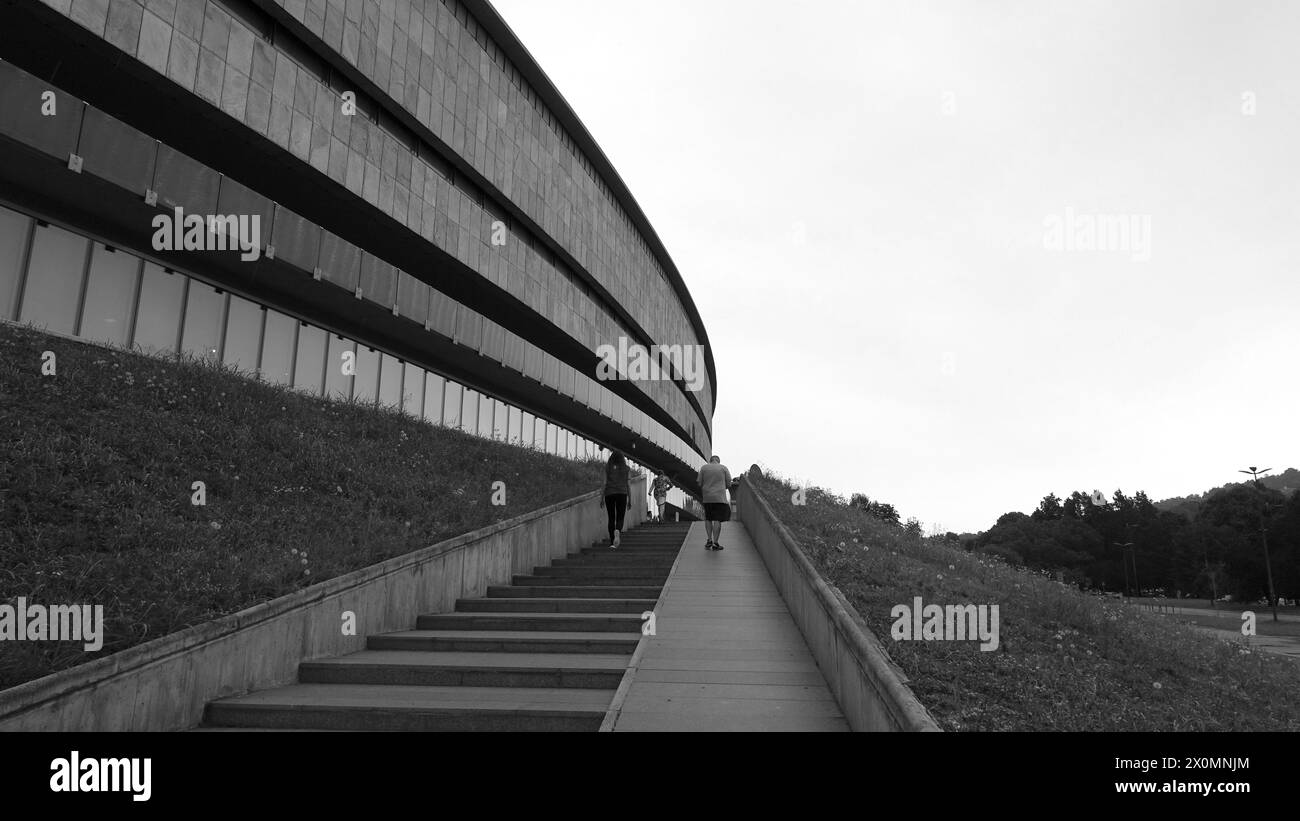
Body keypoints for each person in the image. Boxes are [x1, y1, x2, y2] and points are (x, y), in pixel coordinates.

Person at [697, 455, 733, 550]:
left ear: (710, 460)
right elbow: (729, 483)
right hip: (719, 498)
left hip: (707, 497)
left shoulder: (704, 468)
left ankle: (709, 540)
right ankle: (715, 543)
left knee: (708, 518)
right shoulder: (723, 468)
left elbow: (699, 482)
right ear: (718, 461)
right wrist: (721, 487)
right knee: (717, 519)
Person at [599, 450, 630, 548]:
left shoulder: (607, 468)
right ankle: (618, 530)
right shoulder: (626, 469)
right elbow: (628, 485)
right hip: (622, 493)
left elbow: (604, 483)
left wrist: (601, 498)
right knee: (620, 517)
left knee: (611, 518)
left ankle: (612, 542)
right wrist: (630, 499)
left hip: (609, 494)